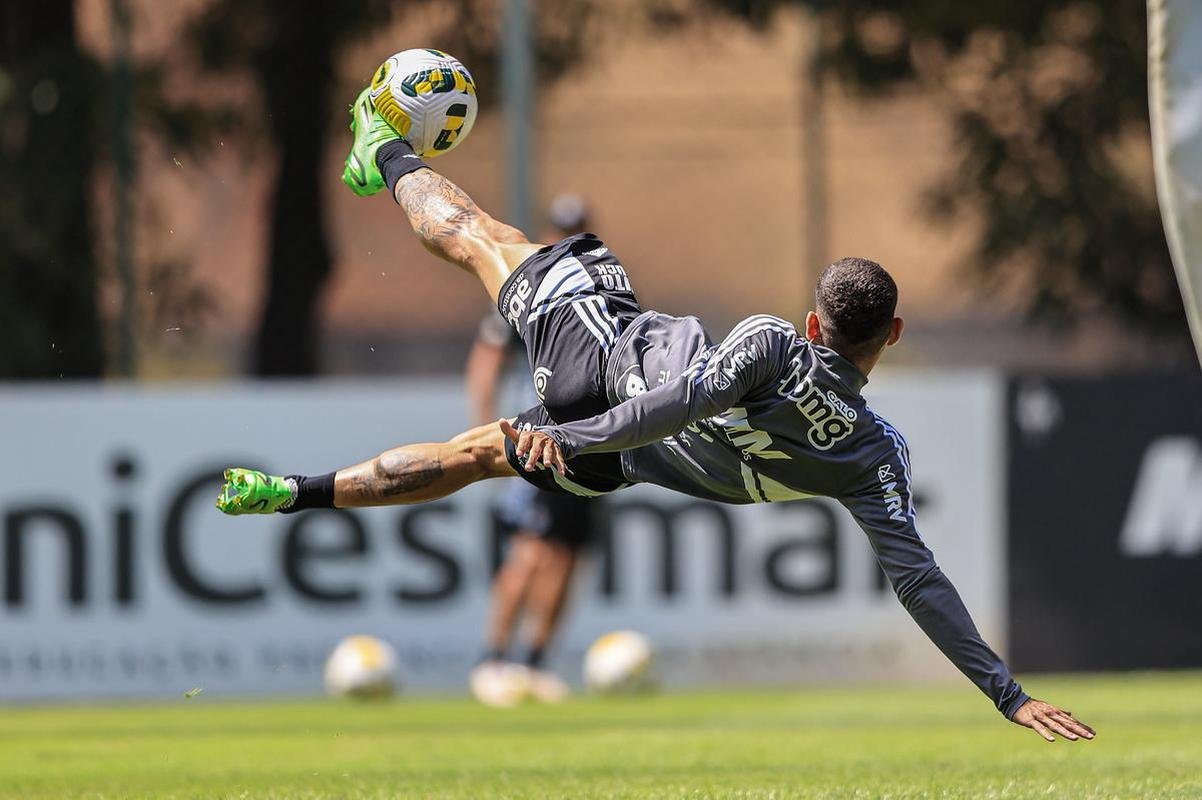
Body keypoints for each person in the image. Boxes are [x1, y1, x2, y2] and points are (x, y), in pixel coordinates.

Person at [217, 85, 1095, 743]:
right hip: (616, 460)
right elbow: (918, 580)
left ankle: (387, 151)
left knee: (486, 239)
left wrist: (566, 432)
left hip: (605, 358)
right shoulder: (876, 457)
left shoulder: (772, 344)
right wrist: (1005, 691)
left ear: (814, 320)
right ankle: (290, 494)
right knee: (473, 458)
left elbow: (683, 400)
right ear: (892, 333)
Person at [466, 195, 604, 707]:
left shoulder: (600, 285)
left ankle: (535, 662)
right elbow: (485, 359)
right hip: (538, 437)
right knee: (530, 550)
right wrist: (483, 428)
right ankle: (492, 660)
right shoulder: (533, 289)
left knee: (568, 554)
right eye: (561, 228)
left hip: (591, 440)